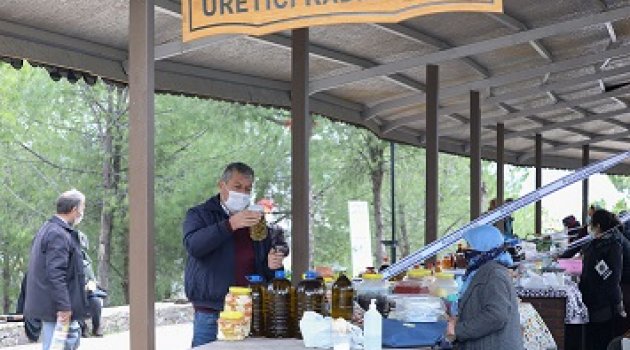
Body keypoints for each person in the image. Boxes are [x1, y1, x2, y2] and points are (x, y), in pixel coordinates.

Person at [183, 162, 285, 347]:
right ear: (222, 185)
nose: (243, 193)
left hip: (249, 309)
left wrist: (272, 264)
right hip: (212, 310)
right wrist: (230, 225)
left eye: (248, 189)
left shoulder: (256, 222)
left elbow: (265, 267)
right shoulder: (200, 214)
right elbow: (194, 246)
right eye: (237, 187)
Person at [24, 189, 88, 350]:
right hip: (56, 308)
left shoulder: (49, 228)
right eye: (83, 208)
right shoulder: (58, 234)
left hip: (52, 306)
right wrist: (64, 307)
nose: (82, 212)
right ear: (74, 209)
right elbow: (56, 274)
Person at [446, 225, 523, 349]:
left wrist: (459, 330)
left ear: (483, 246)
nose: (466, 250)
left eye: (470, 245)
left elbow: (496, 316)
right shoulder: (480, 271)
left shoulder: (494, 275)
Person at [579, 209, 625, 350]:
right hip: (592, 302)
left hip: (603, 306)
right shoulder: (595, 244)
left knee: (601, 341)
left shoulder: (613, 246)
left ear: (598, 226)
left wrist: (618, 304)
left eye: (591, 224)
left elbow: (612, 280)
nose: (589, 227)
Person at [77, 231, 105, 337]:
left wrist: (91, 284)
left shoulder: (87, 261)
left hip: (88, 293)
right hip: (74, 294)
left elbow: (92, 278)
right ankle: (82, 327)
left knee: (96, 302)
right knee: (75, 301)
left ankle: (96, 327)